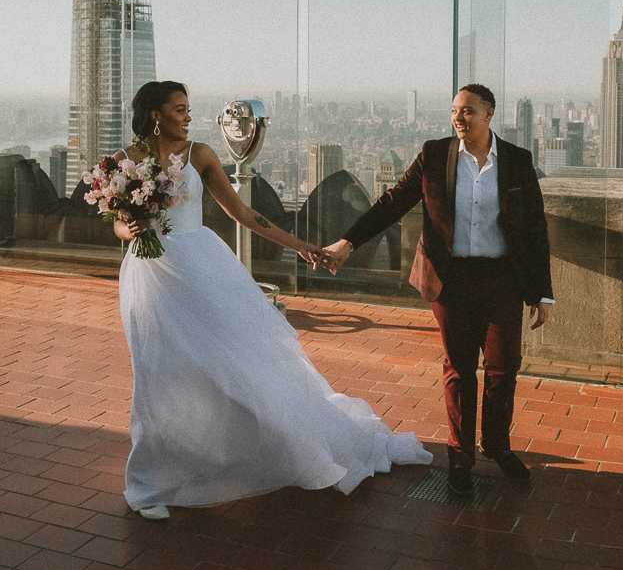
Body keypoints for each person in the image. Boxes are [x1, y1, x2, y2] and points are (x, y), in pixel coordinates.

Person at [113, 81, 431, 520]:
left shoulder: (200, 155)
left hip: (201, 268)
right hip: (150, 275)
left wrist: (299, 243)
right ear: (155, 114)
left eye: (188, 109)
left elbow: (244, 214)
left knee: (234, 360)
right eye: (179, 109)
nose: (188, 116)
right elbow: (119, 221)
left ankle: (245, 450)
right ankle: (150, 484)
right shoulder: (125, 160)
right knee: (158, 371)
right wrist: (127, 230)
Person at [320, 84, 553, 495]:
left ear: (490, 114)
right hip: (451, 281)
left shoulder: (517, 160)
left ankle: (496, 445)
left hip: (502, 279)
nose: (458, 118)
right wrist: (347, 242)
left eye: (467, 111)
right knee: (459, 368)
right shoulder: (434, 155)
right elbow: (392, 203)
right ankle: (460, 457)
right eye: (454, 111)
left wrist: (542, 293)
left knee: (504, 366)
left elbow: (534, 229)